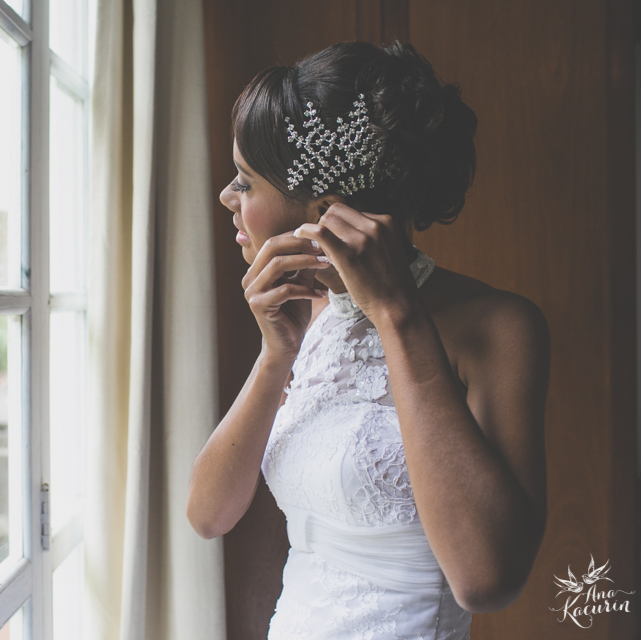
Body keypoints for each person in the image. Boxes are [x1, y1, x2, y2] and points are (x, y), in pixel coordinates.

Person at [186, 40, 551, 639]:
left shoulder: (499, 327)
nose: (228, 197)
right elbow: (207, 515)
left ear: (326, 211)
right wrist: (277, 354)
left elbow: (488, 580)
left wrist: (396, 314)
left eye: (246, 182)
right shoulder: (312, 319)